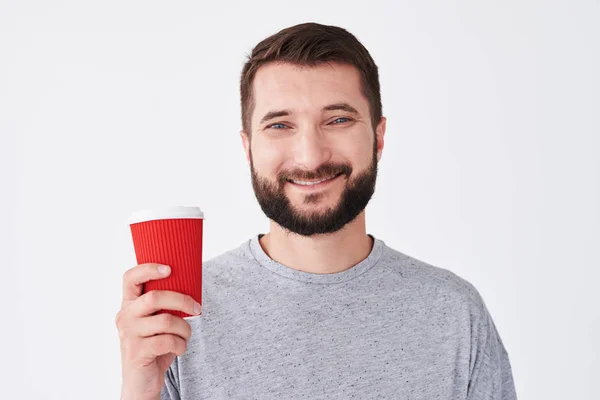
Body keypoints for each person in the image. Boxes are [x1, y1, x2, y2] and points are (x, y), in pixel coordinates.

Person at [116, 22, 517, 400]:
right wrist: (139, 388)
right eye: (279, 125)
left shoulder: (454, 314)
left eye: (338, 119)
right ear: (247, 147)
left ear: (378, 138)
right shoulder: (179, 317)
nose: (310, 157)